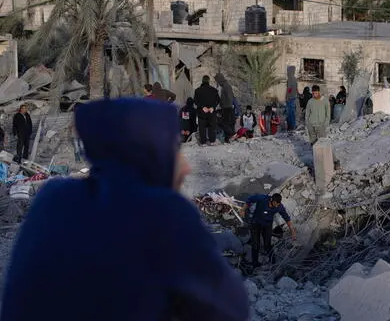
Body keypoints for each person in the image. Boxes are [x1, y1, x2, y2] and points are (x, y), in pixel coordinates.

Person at [0, 98, 249, 321]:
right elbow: (232, 309)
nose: (186, 168)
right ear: (149, 153)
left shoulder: (53, 198)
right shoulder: (165, 213)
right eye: (174, 150)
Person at [240, 193, 296, 268]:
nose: (276, 205)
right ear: (271, 200)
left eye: (278, 204)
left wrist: (292, 231)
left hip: (267, 225)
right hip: (256, 223)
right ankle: (255, 264)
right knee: (256, 245)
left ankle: (273, 263)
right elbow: (250, 199)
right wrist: (243, 209)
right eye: (275, 203)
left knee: (268, 245)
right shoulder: (262, 198)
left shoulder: (279, 206)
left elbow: (286, 218)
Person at [194, 76, 220, 146]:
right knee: (212, 127)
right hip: (211, 112)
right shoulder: (214, 90)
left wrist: (203, 107)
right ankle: (212, 141)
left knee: (202, 128)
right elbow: (218, 100)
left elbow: (195, 101)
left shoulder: (197, 90)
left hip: (202, 112)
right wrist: (213, 107)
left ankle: (203, 142)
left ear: (202, 81)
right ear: (208, 81)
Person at [215, 73, 235, 143]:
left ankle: (231, 134)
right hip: (225, 107)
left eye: (217, 80)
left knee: (224, 123)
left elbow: (230, 97)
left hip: (227, 108)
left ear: (220, 79)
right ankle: (228, 138)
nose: (217, 82)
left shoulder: (226, 86)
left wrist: (230, 105)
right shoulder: (224, 86)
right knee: (226, 123)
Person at [286, 66, 297, 131]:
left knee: (290, 113)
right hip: (293, 97)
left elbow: (289, 89)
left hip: (290, 98)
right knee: (292, 112)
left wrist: (287, 96)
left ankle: (291, 126)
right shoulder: (295, 79)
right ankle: (292, 125)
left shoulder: (290, 78)